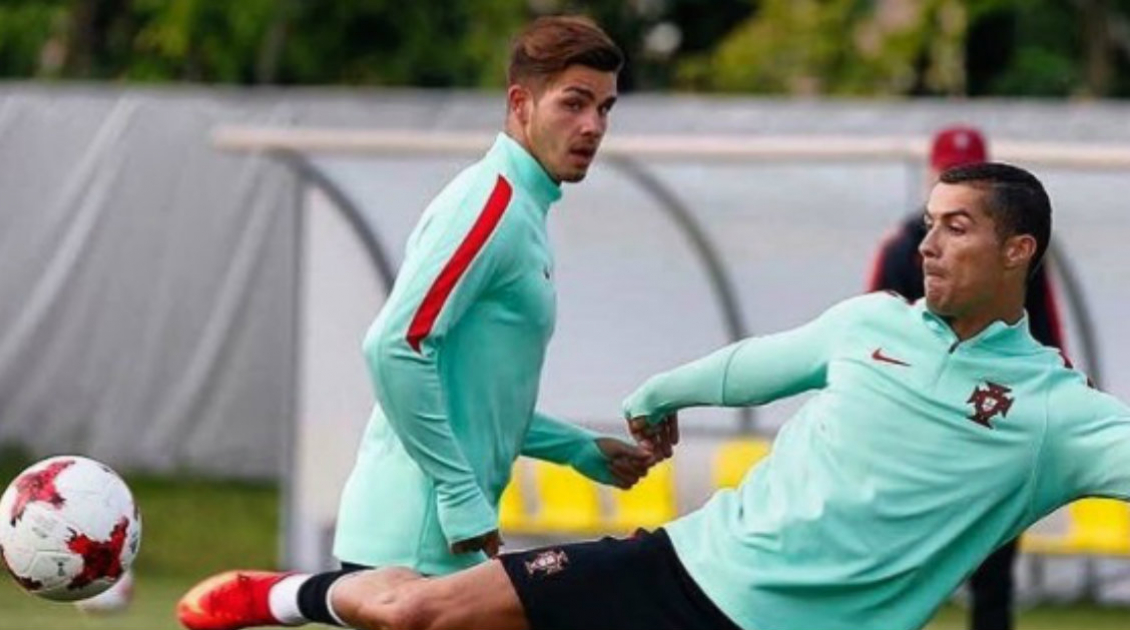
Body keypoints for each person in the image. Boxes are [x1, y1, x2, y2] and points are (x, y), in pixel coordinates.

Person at [181, 162, 1130, 630]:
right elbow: (750, 365)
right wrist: (655, 396)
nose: (927, 242)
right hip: (681, 568)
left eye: (955, 228)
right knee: (419, 614)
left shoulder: (1056, 413)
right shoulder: (871, 324)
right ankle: (275, 595)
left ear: (1018, 253)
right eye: (927, 223)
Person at [177, 14, 658, 630]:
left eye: (605, 108)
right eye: (574, 103)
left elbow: (476, 393)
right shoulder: (493, 206)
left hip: (443, 535)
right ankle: (283, 597)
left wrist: (578, 450)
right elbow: (394, 347)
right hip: (415, 535)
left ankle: (282, 598)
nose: (593, 125)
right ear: (520, 102)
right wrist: (459, 494)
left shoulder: (525, 211)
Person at [868, 125, 1066, 630]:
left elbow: (1044, 333)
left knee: (994, 571)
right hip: (922, 427)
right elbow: (872, 340)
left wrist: (1063, 392)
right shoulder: (903, 249)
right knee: (896, 568)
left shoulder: (1018, 249)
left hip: (993, 421)